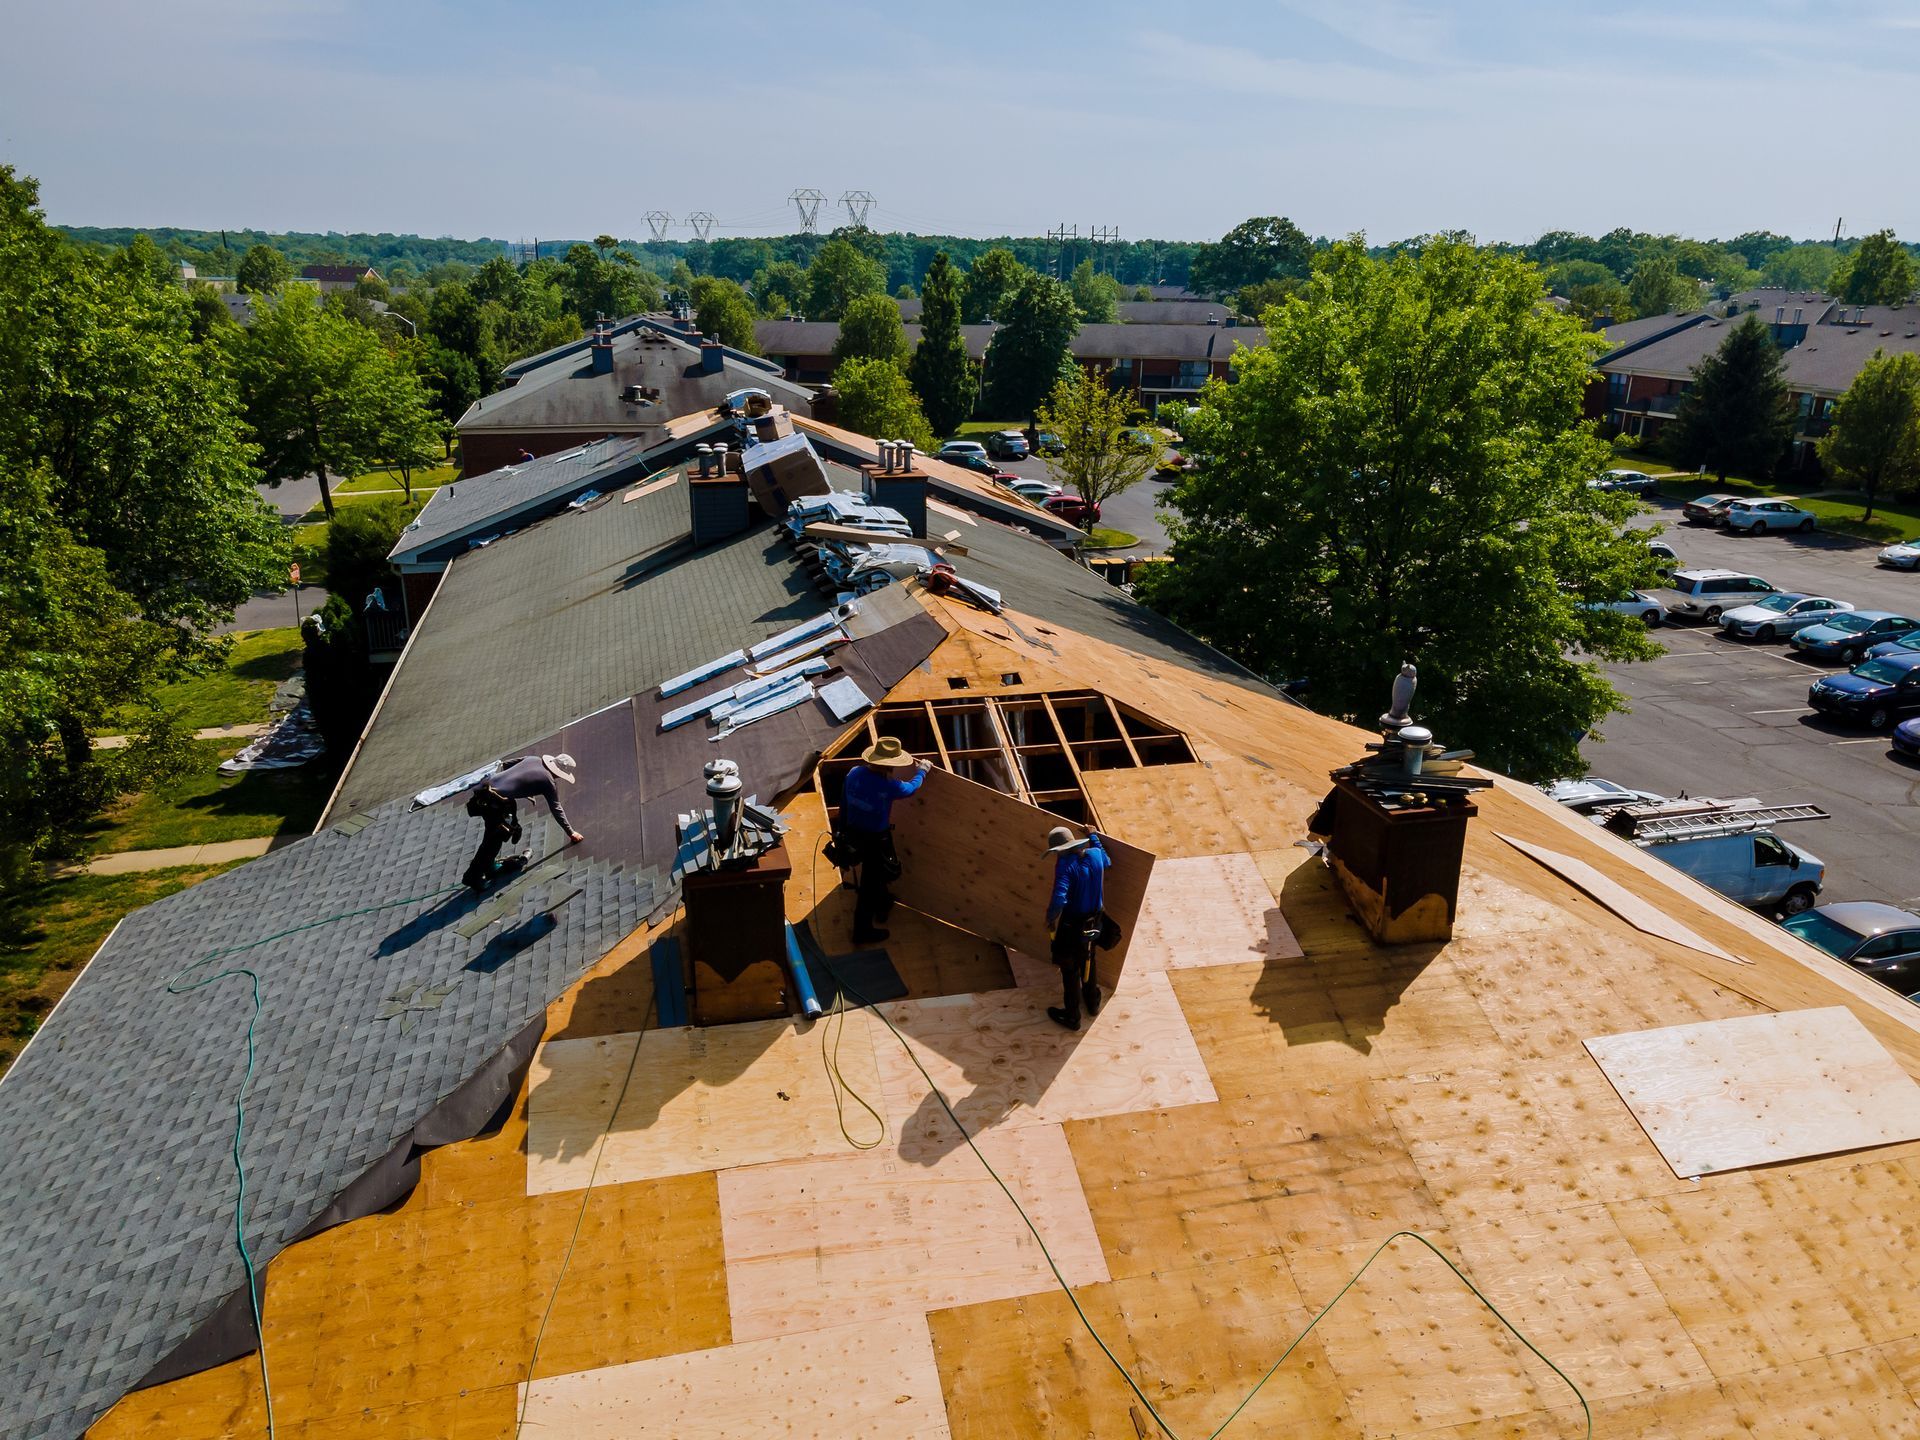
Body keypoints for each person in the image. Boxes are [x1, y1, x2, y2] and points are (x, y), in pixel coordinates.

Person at [836, 737, 930, 944]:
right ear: (890, 765)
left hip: (853, 832)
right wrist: (922, 770)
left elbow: (843, 801)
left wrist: (841, 829)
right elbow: (912, 788)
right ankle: (862, 931)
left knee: (875, 875)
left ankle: (882, 904)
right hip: (876, 840)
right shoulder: (889, 786)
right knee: (873, 881)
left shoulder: (853, 774)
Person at [1044, 825, 1110, 1032]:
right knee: (1089, 957)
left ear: (1060, 849)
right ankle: (1092, 1003)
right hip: (1095, 921)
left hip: (1072, 924)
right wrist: (1093, 835)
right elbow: (1108, 861)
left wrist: (1050, 918)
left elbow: (1059, 899)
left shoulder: (1065, 865)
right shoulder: (1096, 854)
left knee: (1069, 967)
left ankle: (1072, 1016)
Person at [489, 753, 585, 845]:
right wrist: (571, 832)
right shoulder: (548, 782)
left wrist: (521, 787)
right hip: (494, 800)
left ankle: (513, 827)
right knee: (494, 840)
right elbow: (556, 808)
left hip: (485, 786)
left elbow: (505, 765)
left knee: (507, 810)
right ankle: (513, 829)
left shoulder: (533, 759)